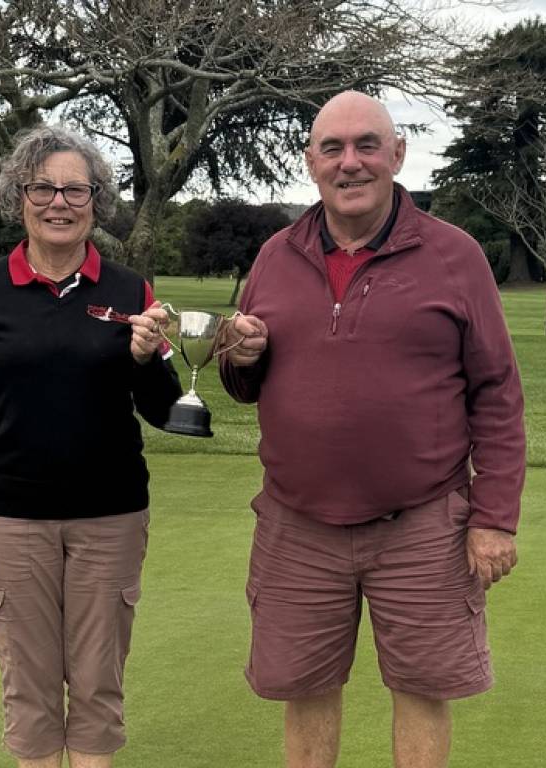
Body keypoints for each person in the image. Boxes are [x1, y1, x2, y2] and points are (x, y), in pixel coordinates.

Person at [219, 91, 526, 768]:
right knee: (305, 688)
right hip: (298, 524)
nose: (349, 162)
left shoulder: (455, 256)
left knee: (422, 689)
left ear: (397, 155)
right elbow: (246, 382)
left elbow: (498, 392)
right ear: (310, 162)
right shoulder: (275, 255)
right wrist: (241, 359)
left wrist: (495, 517)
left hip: (421, 523)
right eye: (332, 148)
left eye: (366, 146)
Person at [0, 124, 181, 768]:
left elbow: (163, 410)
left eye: (77, 189)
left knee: (99, 683)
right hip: (11, 517)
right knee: (30, 687)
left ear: (97, 202)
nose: (59, 202)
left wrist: (147, 357)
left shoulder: (130, 292)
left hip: (112, 515)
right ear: (17, 197)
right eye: (42, 187)